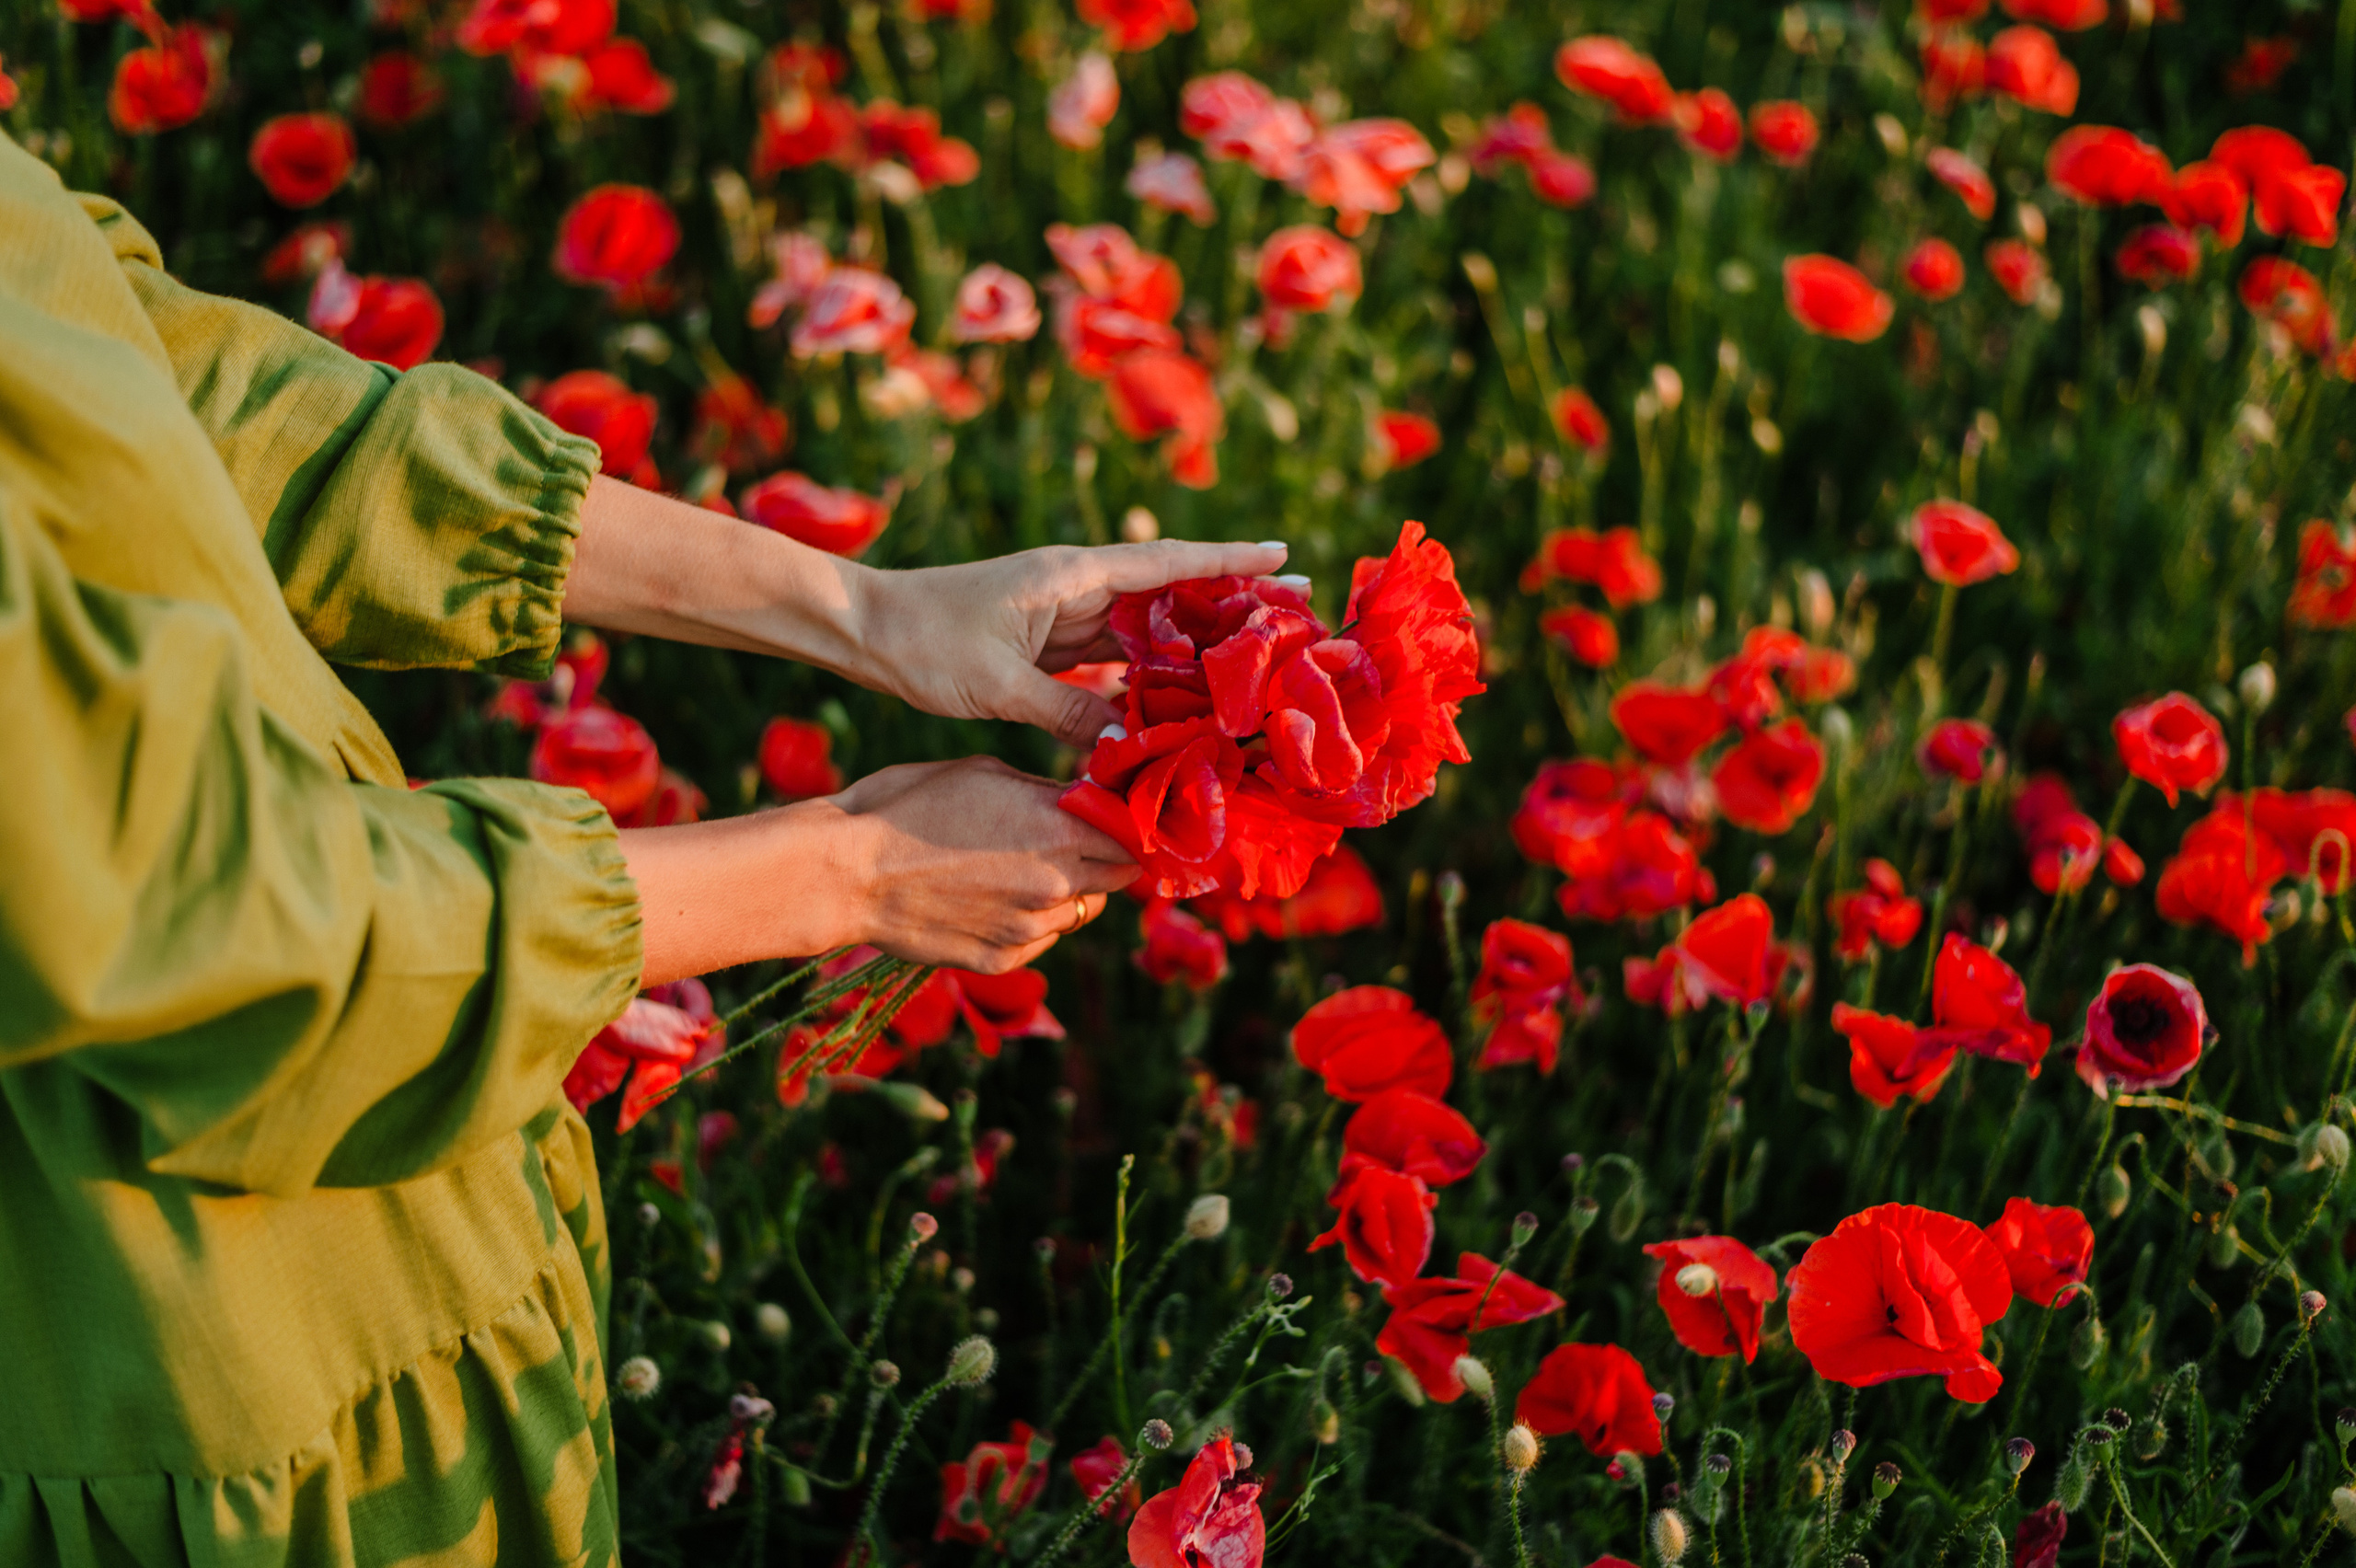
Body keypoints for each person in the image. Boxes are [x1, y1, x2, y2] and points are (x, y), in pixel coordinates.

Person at [0, 133, 1286, 1565]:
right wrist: (849, 868)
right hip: (194, 1347)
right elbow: (209, 922)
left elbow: (189, 391)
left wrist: (868, 611)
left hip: (389, 1150)